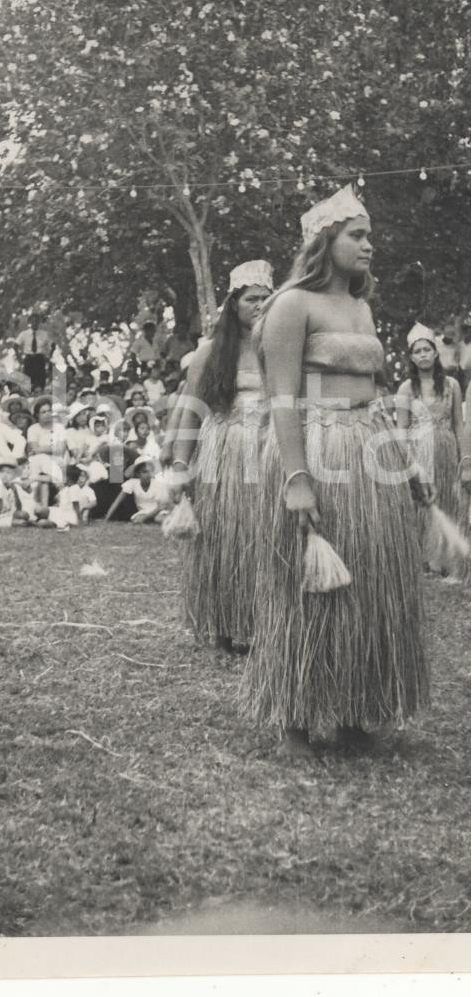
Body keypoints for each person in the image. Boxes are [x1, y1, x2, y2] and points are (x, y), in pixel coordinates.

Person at [244, 184, 428, 757]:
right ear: (327, 242)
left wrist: (404, 457)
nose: (369, 245)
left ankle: (353, 710)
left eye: (369, 235)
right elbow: (281, 399)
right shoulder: (292, 306)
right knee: (306, 592)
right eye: (358, 235)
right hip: (316, 450)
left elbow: (373, 394)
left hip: (369, 451)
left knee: (368, 583)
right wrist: (297, 479)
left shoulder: (362, 307)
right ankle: (295, 719)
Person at [167, 260, 274, 653]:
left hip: (265, 451)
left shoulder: (277, 347)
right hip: (223, 451)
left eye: (266, 298)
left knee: (262, 537)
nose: (259, 305)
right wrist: (181, 465)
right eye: (251, 299)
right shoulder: (210, 351)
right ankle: (222, 625)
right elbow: (192, 410)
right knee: (222, 538)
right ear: (234, 304)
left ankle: (262, 621)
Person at [396, 323, 466, 578]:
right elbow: (401, 428)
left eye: (427, 349)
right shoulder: (406, 388)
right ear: (412, 357)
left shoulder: (451, 385)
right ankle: (424, 559)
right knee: (423, 503)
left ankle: (448, 559)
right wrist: (408, 462)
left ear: (436, 353)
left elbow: (459, 424)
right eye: (418, 351)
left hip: (446, 449)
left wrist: (465, 458)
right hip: (418, 451)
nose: (423, 355)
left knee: (448, 499)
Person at [105, 456, 171, 524]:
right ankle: (148, 520)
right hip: (143, 512)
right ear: (138, 474)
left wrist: (145, 518)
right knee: (136, 520)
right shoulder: (132, 482)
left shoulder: (157, 484)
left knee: (159, 519)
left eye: (150, 471)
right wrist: (107, 518)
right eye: (144, 472)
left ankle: (150, 520)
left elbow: (161, 506)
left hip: (158, 511)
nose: (148, 475)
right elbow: (117, 501)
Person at [0, 462, 30, 527]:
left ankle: (31, 522)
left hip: (7, 514)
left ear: (13, 476)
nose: (5, 475)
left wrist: (15, 491)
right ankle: (33, 523)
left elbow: (19, 508)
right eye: (2, 472)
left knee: (25, 515)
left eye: (9, 473)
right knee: (22, 523)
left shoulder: (10, 485)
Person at [17, 313, 50, 392]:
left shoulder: (44, 334)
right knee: (28, 381)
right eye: (33, 321)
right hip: (29, 359)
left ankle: (40, 395)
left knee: (40, 381)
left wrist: (48, 357)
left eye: (36, 321)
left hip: (40, 359)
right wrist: (19, 358)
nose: (35, 323)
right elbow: (15, 345)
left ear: (39, 322)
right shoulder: (24, 334)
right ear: (29, 322)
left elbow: (52, 346)